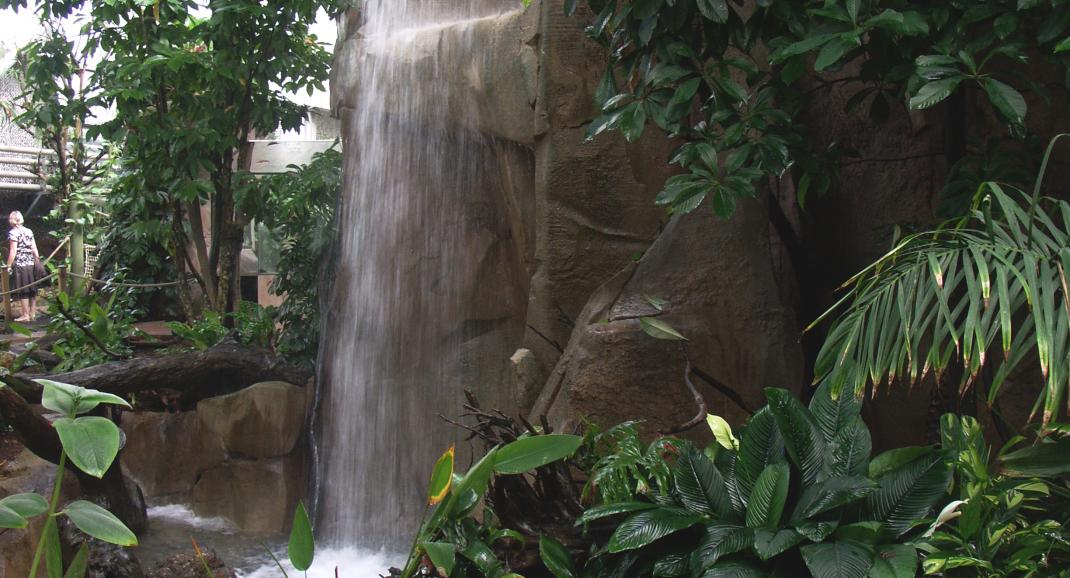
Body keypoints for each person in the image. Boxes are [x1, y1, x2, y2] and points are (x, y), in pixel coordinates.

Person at [6, 211, 40, 322]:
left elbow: (13, 251)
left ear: (11, 220)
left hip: (21, 265)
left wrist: (8, 266)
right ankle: (33, 314)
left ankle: (25, 315)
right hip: (31, 264)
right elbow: (34, 248)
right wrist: (37, 261)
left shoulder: (13, 233)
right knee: (32, 289)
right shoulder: (29, 231)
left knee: (24, 290)